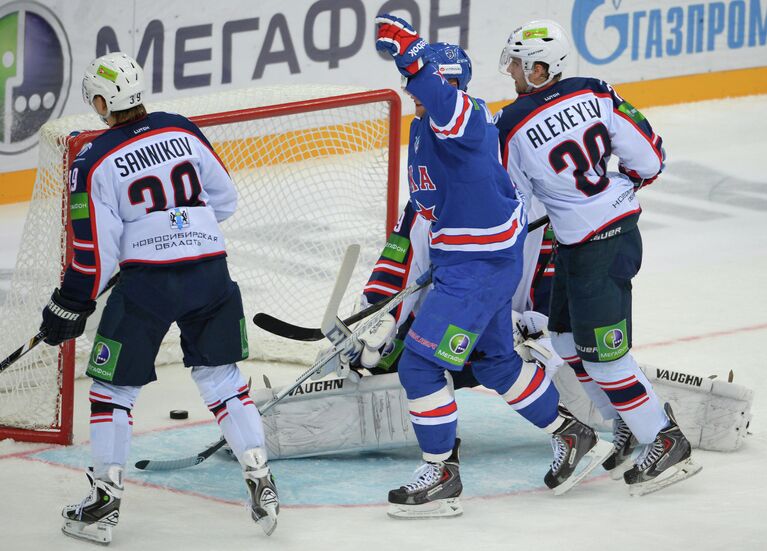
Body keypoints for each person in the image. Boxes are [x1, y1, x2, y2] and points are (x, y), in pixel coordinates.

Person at [373, 14, 611, 519]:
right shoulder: (425, 124)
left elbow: (442, 102)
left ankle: (441, 472)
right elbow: (433, 204)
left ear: (449, 84)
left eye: (422, 82)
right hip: (470, 260)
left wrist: (409, 52)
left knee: (419, 365)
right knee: (495, 363)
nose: (410, 90)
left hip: (478, 267)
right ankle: (573, 434)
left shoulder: (466, 119)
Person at [38, 52, 278, 543]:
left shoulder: (92, 158)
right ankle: (261, 478)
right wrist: (182, 229)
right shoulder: (181, 128)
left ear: (103, 102)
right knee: (222, 380)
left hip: (148, 285)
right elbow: (224, 199)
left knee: (111, 391)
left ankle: (103, 503)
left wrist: (71, 301)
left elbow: (93, 253)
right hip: (210, 272)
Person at [495, 20, 701, 494]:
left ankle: (665, 439)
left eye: (516, 63)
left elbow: (514, 202)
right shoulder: (597, 91)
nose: (509, 70)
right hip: (600, 235)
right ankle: (626, 422)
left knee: (606, 357)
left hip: (596, 246)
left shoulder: (510, 124)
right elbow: (649, 160)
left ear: (540, 68)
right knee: (565, 339)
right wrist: (613, 191)